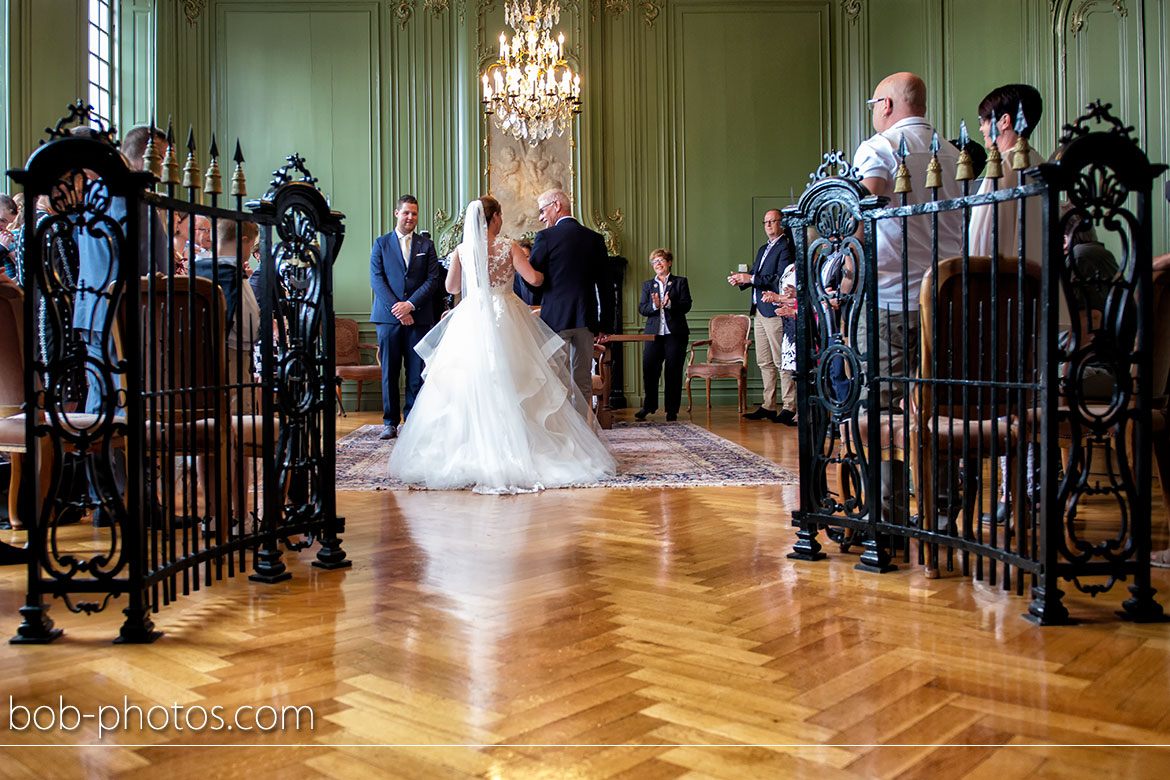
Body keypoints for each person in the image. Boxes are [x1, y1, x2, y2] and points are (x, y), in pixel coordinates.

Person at [388, 196, 616, 493]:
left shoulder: (461, 250)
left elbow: (452, 288)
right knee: (516, 381)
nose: (502, 220)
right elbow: (534, 279)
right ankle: (520, 447)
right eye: (500, 215)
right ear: (494, 218)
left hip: (471, 319)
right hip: (506, 317)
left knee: (470, 381)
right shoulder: (508, 246)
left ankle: (470, 449)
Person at [853, 71, 963, 524]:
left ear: (887, 106)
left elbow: (868, 200)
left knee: (882, 408)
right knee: (937, 407)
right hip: (949, 300)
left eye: (875, 103)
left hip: (891, 300)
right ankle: (942, 511)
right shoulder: (956, 153)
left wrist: (845, 255)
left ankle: (889, 519)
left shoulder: (878, 149)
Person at [526, 189, 612, 403]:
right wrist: (605, 323)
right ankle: (582, 433)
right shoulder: (595, 239)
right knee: (582, 381)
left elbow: (534, 279)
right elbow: (605, 285)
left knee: (557, 381)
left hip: (555, 320)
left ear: (556, 205)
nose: (540, 217)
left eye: (542, 210)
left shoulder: (545, 237)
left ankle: (563, 435)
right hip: (586, 319)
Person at [369, 195, 443, 440]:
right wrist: (398, 309)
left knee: (415, 372)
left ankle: (412, 421)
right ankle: (389, 422)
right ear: (396, 213)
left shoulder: (426, 246)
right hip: (388, 319)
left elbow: (433, 279)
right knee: (390, 371)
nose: (410, 217)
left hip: (419, 317)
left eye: (414, 213)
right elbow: (377, 280)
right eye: (406, 213)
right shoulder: (380, 244)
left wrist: (410, 305)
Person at [727, 209, 794, 424]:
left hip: (775, 310)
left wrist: (751, 277)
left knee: (781, 360)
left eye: (773, 221)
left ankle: (790, 406)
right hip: (758, 311)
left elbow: (779, 279)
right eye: (766, 222)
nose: (769, 225)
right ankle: (768, 405)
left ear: (781, 223)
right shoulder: (763, 248)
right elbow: (757, 277)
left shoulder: (786, 246)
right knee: (764, 361)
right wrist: (742, 281)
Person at [970, 84, 1044, 260]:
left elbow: (982, 234)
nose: (981, 128)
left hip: (1004, 275)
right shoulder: (1038, 161)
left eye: (983, 120)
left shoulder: (1002, 165)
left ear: (1004, 120)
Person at [635, 248, 692, 422]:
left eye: (661, 260)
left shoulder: (680, 282)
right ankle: (648, 406)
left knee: (673, 373)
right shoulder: (647, 285)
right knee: (649, 370)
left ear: (669, 262)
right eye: (654, 262)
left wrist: (669, 304)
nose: (657, 264)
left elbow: (686, 305)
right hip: (653, 335)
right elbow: (642, 309)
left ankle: (672, 410)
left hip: (675, 334)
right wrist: (655, 306)